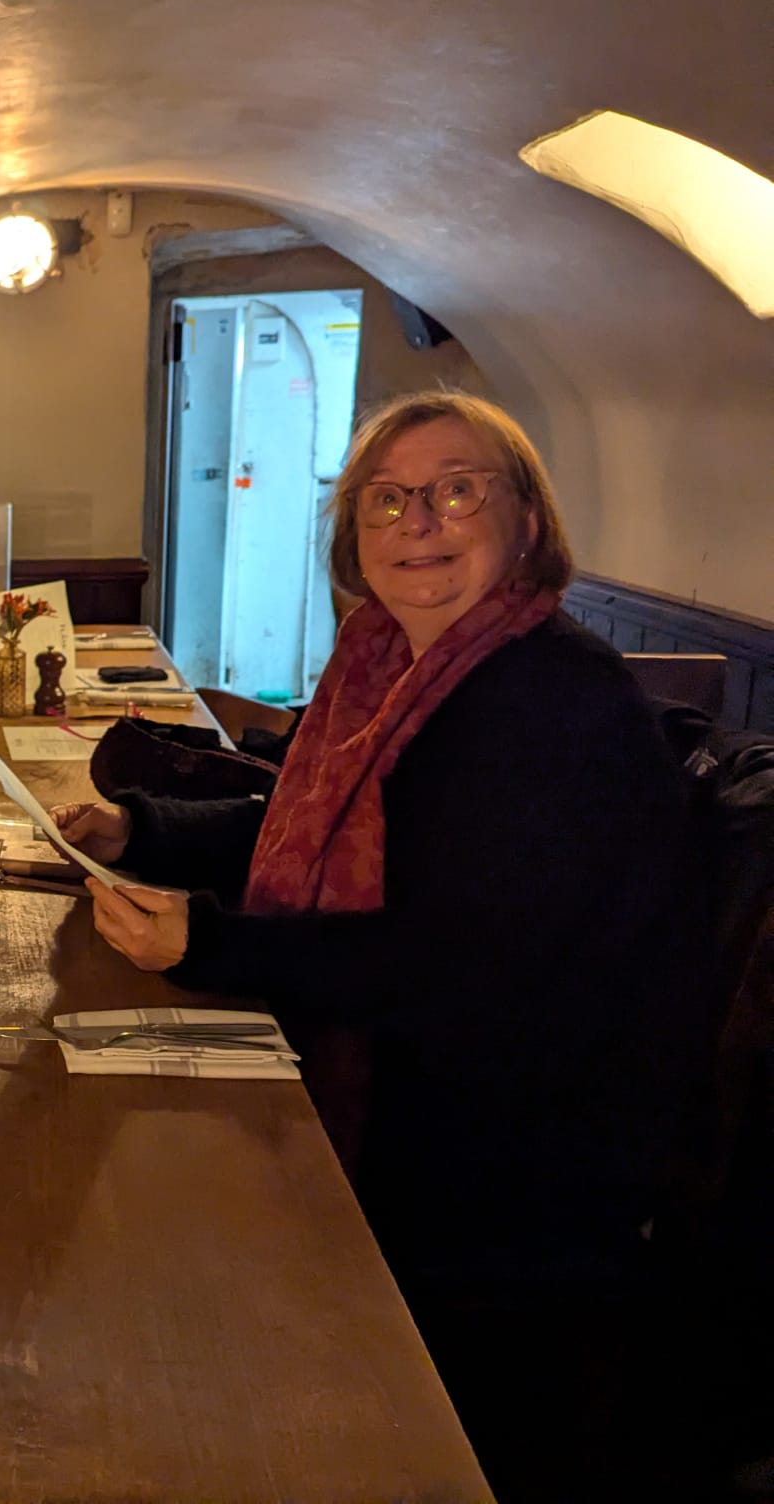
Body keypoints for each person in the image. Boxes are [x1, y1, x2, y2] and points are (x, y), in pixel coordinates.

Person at [51, 391, 692, 1500]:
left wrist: (209, 945)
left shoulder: (548, 701)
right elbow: (311, 820)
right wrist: (143, 829)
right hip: (423, 1105)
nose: (419, 523)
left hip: (495, 1188)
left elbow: (460, 971)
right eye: (385, 501)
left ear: (526, 520)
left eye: (456, 491)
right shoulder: (390, 663)